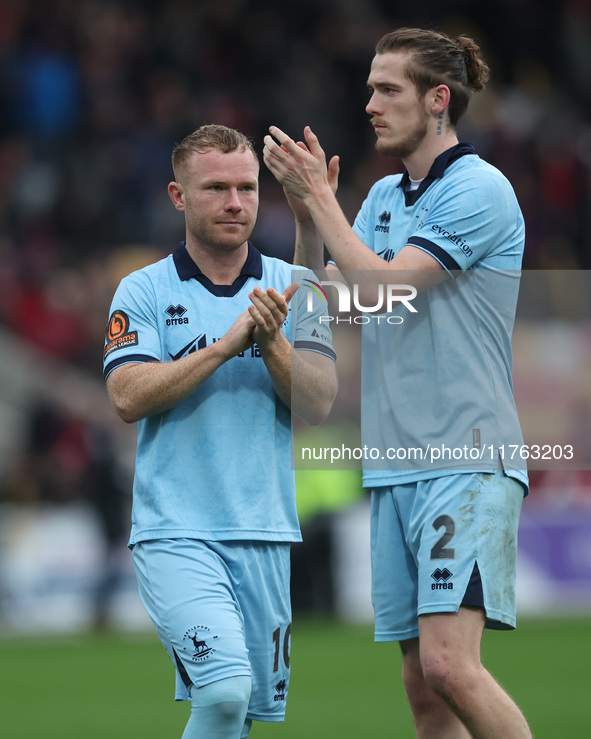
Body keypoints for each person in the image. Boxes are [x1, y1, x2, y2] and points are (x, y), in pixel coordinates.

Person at [263, 27, 532, 739]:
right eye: (369, 88)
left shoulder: (479, 189)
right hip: (393, 466)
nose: (371, 103)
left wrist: (321, 198)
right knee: (422, 689)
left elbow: (384, 286)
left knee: (450, 666)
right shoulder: (382, 196)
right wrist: (305, 221)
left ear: (437, 100)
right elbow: (333, 294)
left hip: (463, 459)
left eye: (388, 89)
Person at [103, 124, 338, 739]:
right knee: (226, 691)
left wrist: (272, 345)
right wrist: (229, 343)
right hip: (176, 531)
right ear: (179, 196)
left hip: (266, 532)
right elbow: (127, 397)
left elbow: (318, 403)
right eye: (215, 188)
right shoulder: (143, 289)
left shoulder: (298, 284)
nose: (235, 202)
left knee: (239, 715)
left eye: (247, 187)